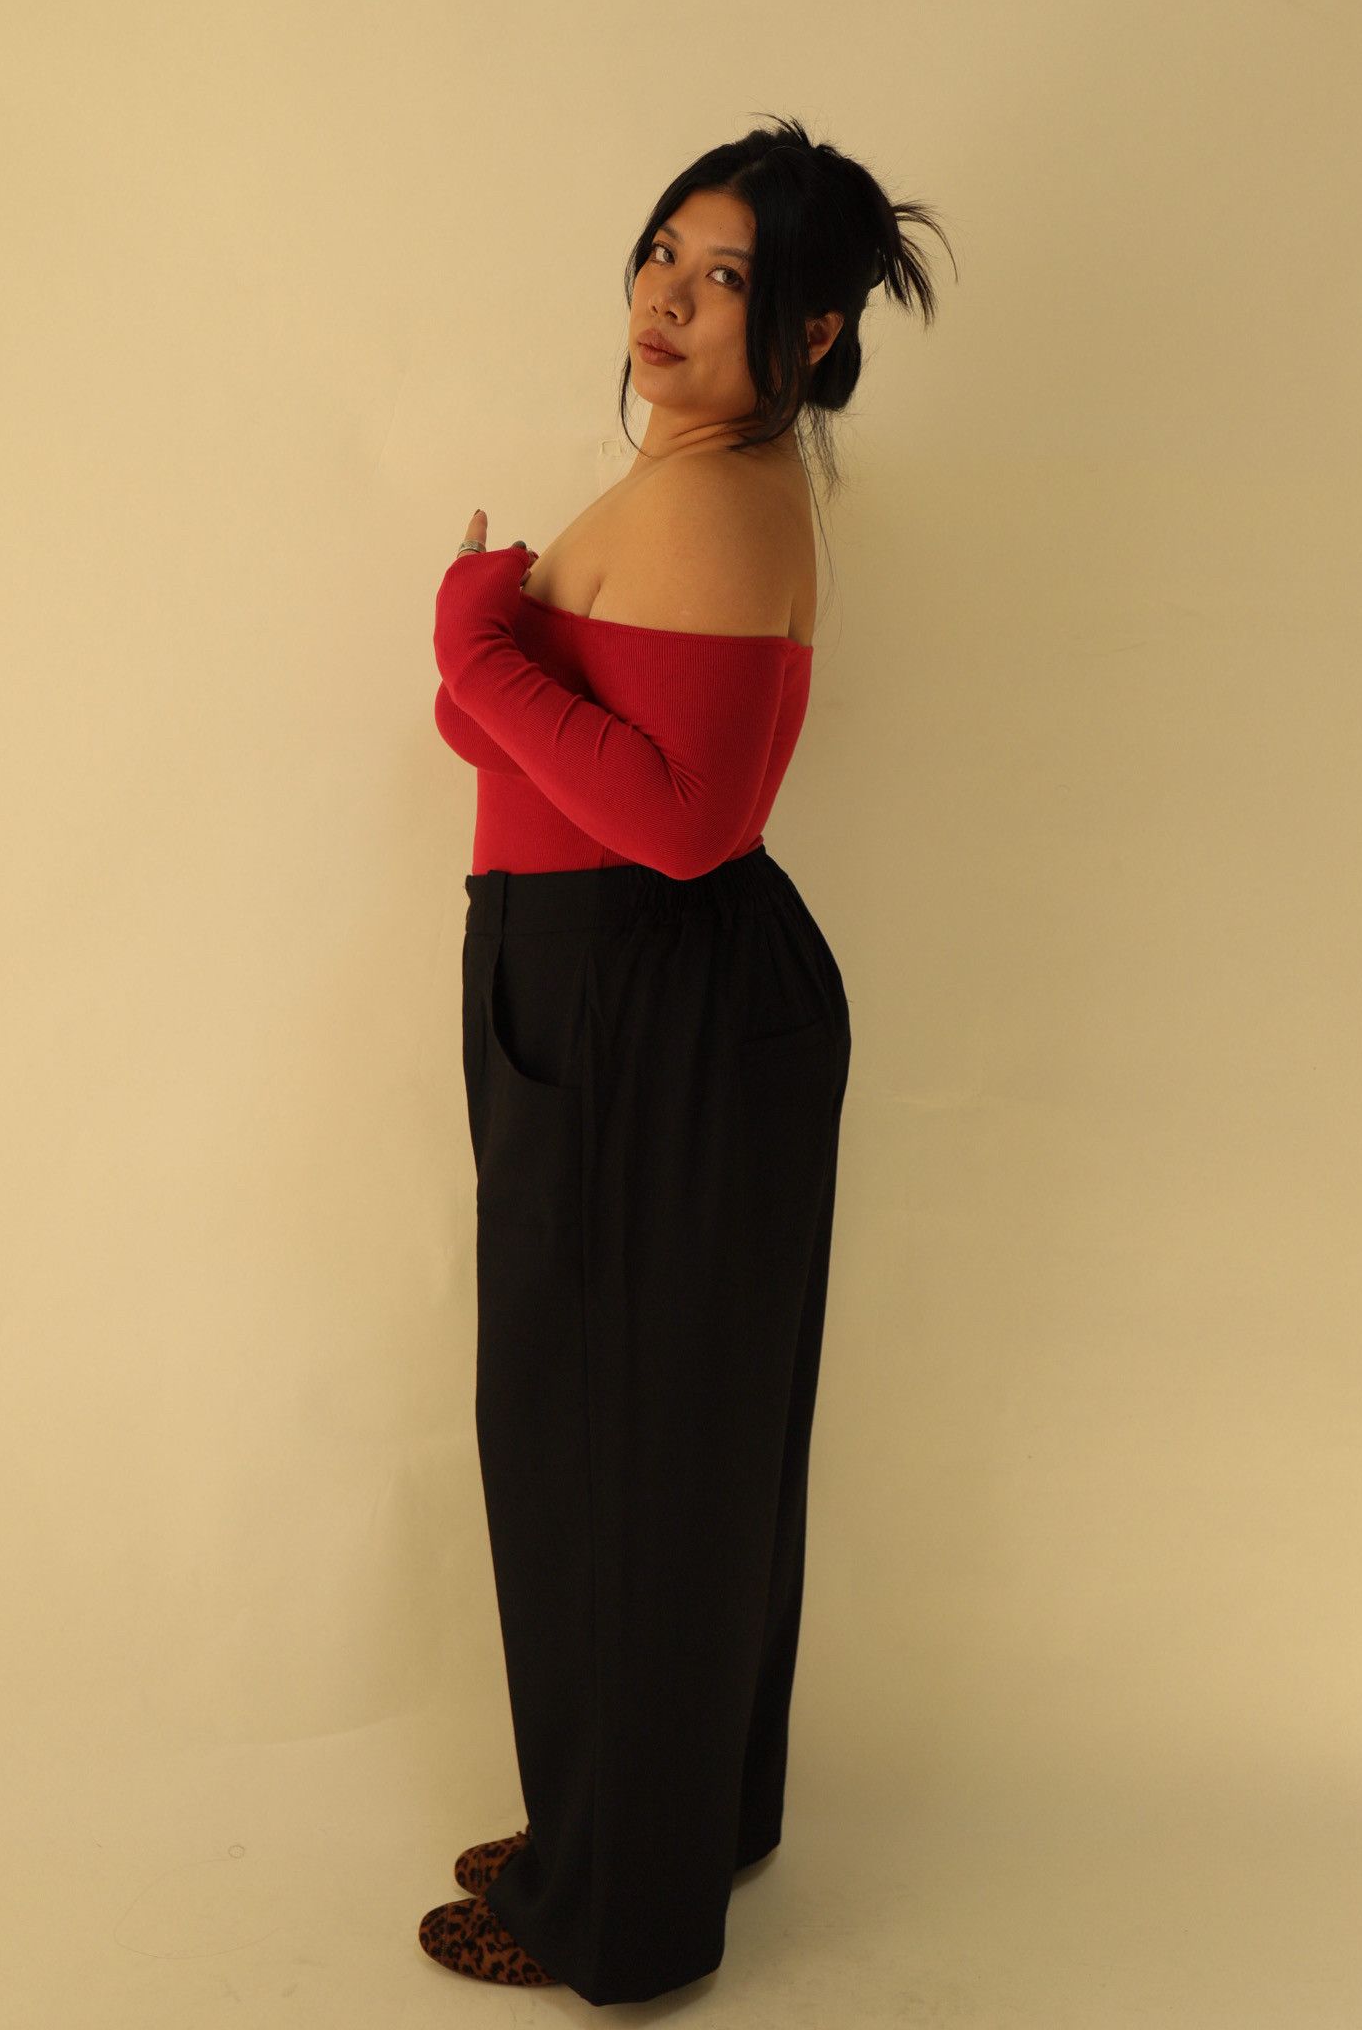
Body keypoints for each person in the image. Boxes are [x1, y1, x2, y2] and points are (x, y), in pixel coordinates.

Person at [422, 112, 954, 2002]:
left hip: (634, 989)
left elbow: (683, 820)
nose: (668, 294)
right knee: (660, 1436)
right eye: (665, 249)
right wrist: (496, 671)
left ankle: (619, 1903)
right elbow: (595, 764)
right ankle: (658, 1822)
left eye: (726, 278)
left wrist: (471, 649)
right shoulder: (700, 477)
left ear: (807, 333)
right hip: (627, 992)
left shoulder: (720, 500)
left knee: (609, 1447)